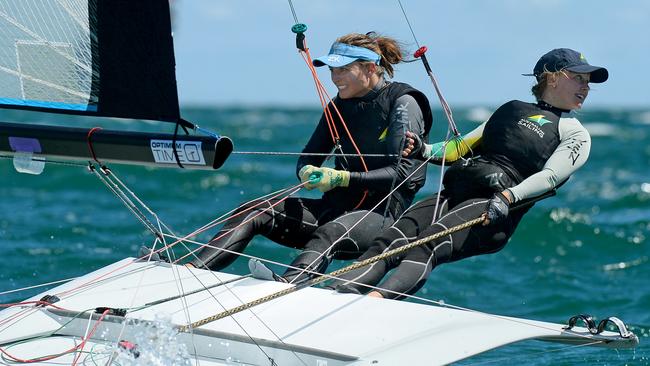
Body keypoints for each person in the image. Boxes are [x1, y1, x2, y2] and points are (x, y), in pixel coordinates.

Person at [328, 48, 608, 299]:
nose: (586, 87)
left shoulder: (575, 133)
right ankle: (338, 292)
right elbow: (458, 149)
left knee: (429, 244)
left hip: (495, 207)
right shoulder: (511, 109)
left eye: (588, 82)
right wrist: (423, 149)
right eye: (579, 78)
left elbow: (550, 177)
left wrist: (507, 198)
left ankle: (374, 303)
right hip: (458, 192)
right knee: (391, 238)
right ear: (553, 77)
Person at [188, 32, 433, 279]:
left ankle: (286, 287)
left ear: (370, 68)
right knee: (255, 210)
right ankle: (192, 271)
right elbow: (308, 158)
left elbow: (404, 174)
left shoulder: (403, 103)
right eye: (332, 70)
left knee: (330, 232)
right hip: (334, 208)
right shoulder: (338, 106)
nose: (335, 78)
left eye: (343, 69)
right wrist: (306, 171)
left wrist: (341, 178)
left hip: (382, 217)